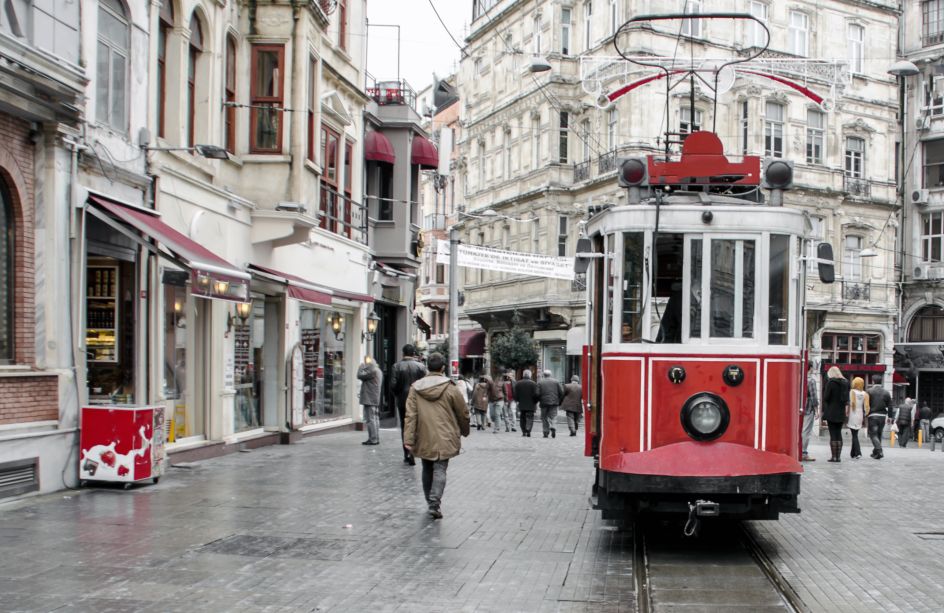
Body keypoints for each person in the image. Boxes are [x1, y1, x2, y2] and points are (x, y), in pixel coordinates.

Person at [403, 352, 470, 520]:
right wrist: (464, 430)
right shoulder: (451, 388)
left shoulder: (416, 387)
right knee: (440, 468)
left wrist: (408, 439)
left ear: (427, 367)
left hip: (423, 434)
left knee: (427, 467)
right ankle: (434, 503)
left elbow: (410, 415)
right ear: (443, 368)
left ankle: (430, 502)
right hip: (445, 435)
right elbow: (463, 412)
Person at [390, 344, 427, 465]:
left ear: (403, 353)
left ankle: (407, 452)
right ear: (413, 354)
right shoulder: (421, 367)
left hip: (402, 400)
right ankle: (415, 450)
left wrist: (398, 394)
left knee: (405, 426)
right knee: (416, 426)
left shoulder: (397, 366)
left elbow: (393, 385)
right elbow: (426, 384)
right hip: (418, 400)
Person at [822, 366, 850, 462]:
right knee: (839, 433)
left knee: (833, 434)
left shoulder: (831, 383)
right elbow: (847, 399)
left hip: (832, 411)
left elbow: (826, 397)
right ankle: (838, 457)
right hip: (841, 411)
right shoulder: (846, 383)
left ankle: (834, 456)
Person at [356, 358, 383, 445]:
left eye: (367, 364)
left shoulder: (372, 371)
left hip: (369, 398)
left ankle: (373, 439)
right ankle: (375, 438)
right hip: (374, 398)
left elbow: (359, 376)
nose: (366, 366)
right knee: (374, 418)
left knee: (370, 419)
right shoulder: (378, 370)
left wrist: (361, 367)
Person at [866, 374, 892, 460]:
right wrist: (890, 417)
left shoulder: (869, 391)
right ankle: (875, 453)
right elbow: (890, 405)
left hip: (873, 415)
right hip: (882, 416)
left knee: (873, 434)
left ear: (873, 381)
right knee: (879, 434)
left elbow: (866, 404)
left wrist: (865, 413)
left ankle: (879, 450)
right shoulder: (886, 392)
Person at [537, 369, 565, 438]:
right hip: (554, 402)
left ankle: (545, 432)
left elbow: (537, 393)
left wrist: (539, 400)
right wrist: (559, 400)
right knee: (554, 416)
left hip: (543, 403)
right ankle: (553, 426)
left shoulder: (540, 382)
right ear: (550, 375)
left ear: (544, 375)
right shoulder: (556, 382)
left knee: (544, 417)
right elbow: (561, 392)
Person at [847, 376, 868, 460]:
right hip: (860, 414)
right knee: (855, 433)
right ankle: (853, 453)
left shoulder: (852, 392)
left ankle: (858, 452)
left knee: (854, 434)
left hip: (853, 413)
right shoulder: (865, 393)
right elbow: (866, 406)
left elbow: (851, 403)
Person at [513, 370, 540, 436]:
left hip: (522, 404)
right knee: (530, 417)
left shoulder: (518, 383)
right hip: (531, 404)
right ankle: (528, 429)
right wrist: (535, 401)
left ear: (523, 375)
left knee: (522, 418)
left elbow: (515, 394)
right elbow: (537, 394)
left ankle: (524, 431)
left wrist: (518, 400)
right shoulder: (534, 384)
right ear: (530, 375)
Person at [801, 366, 819, 462]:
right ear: (810, 368)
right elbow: (813, 396)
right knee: (806, 431)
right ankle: (803, 452)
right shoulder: (811, 381)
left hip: (797, 408)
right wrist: (816, 410)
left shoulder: (798, 377)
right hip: (808, 408)